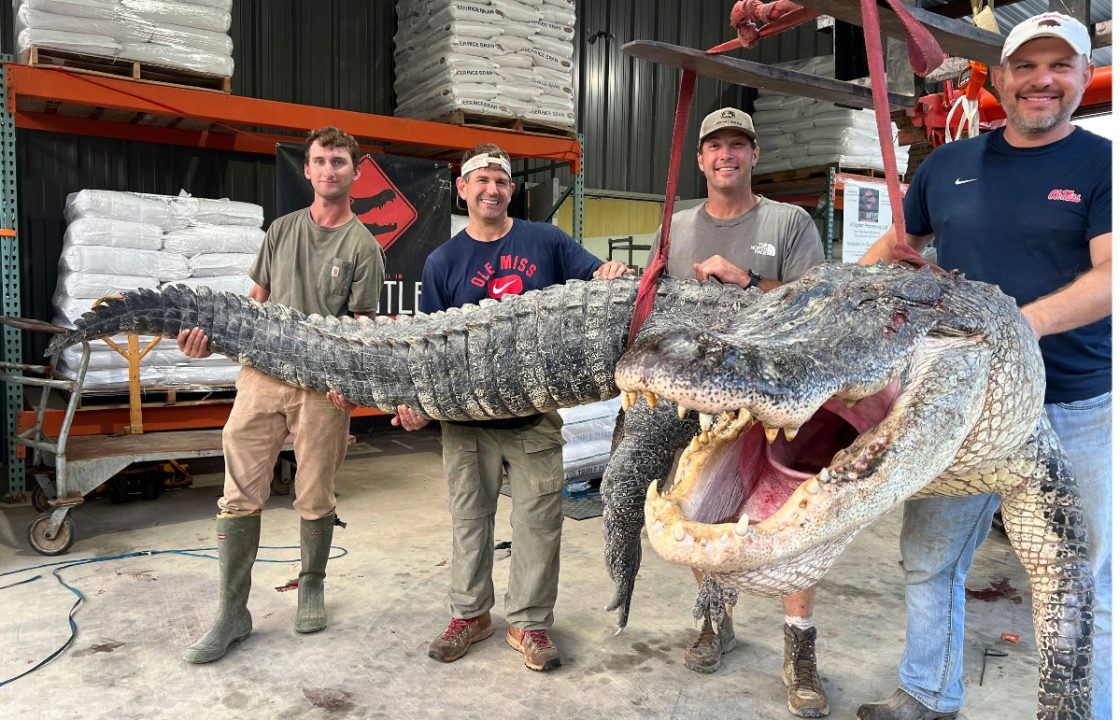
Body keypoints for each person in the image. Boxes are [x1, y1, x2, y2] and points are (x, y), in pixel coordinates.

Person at [855, 13, 1111, 720]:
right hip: (962, 406)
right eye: (1026, 66)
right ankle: (928, 694)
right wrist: (837, 300)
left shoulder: (1102, 165)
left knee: (1080, 578)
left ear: (1082, 78)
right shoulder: (949, 165)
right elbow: (896, 249)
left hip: (1073, 402)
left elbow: (1112, 274)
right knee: (931, 556)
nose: (1042, 81)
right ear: (1000, 79)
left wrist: (1016, 326)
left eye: (1060, 66)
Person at [392, 143, 630, 672]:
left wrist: (610, 271)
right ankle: (470, 614)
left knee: (540, 522)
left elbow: (596, 278)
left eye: (500, 180)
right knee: (469, 521)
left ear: (511, 189)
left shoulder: (545, 240)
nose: (491, 189)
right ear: (463, 189)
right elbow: (428, 347)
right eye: (480, 180)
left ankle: (530, 624)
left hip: (532, 418)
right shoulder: (443, 261)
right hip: (465, 424)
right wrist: (418, 403)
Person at [177, 126, 386, 663]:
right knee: (237, 492)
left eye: (340, 161)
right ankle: (232, 611)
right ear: (308, 170)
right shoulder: (282, 230)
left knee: (315, 493)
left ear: (355, 173)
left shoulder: (363, 246)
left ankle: (312, 583)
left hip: (321, 388)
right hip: (262, 376)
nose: (329, 170)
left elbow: (361, 326)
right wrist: (210, 341)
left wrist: (348, 381)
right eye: (320, 161)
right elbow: (255, 303)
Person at [650, 107, 828, 717]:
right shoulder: (675, 227)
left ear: (754, 156)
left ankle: (800, 652)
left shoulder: (789, 221)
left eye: (738, 145)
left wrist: (748, 281)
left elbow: (819, 307)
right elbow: (656, 305)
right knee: (699, 508)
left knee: (790, 518)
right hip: (701, 398)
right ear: (700, 159)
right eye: (714, 146)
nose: (726, 155)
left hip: (775, 404)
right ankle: (713, 622)